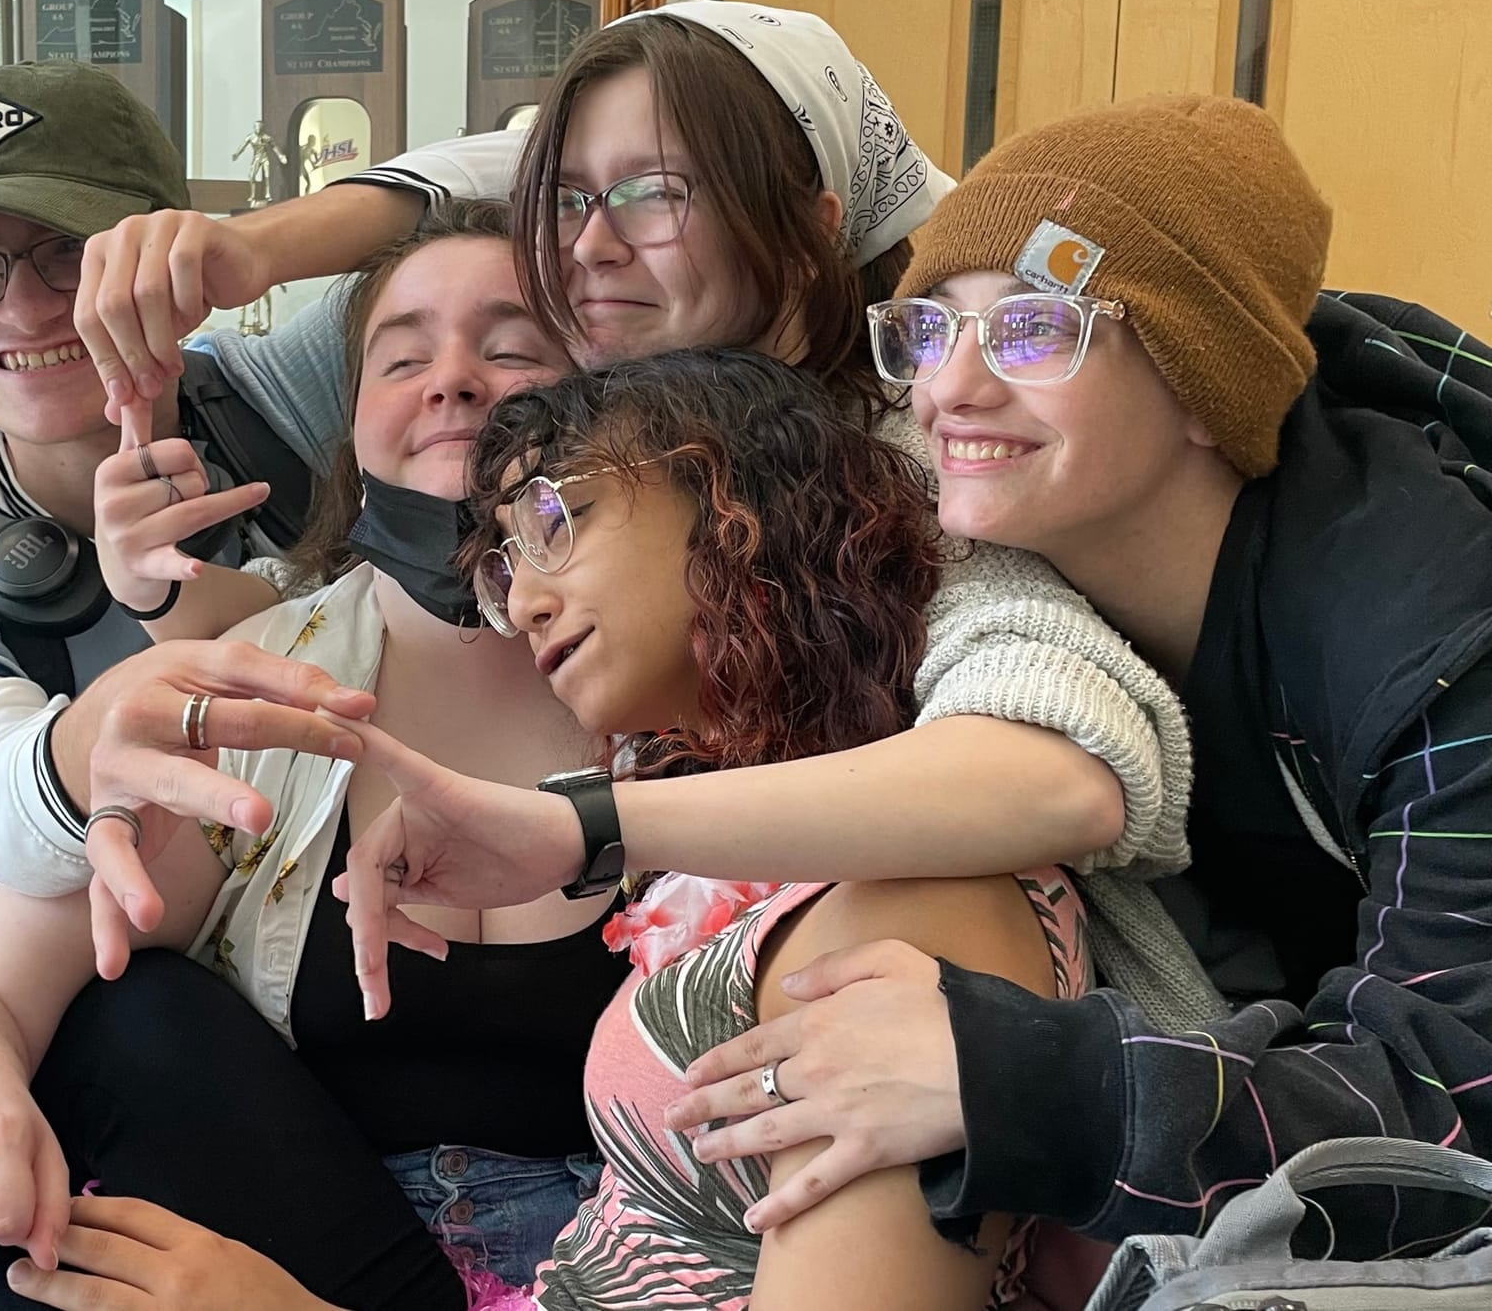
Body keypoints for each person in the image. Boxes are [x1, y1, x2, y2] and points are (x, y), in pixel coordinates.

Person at [79, 0, 1210, 1028]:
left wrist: (583, 828)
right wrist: (164, 604)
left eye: (656, 193)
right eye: (568, 201)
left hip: (958, 1050)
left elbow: (1062, 768)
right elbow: (352, 611)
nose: (589, 245)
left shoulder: (910, 473)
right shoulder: (585, 464)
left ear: (809, 229)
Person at [0, 201, 623, 1311]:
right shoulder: (251, 690)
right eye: (401, 359)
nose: (451, 380)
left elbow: (596, 151)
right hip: (285, 1243)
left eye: (512, 348)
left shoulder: (718, 701)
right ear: (350, 427)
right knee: (106, 1034)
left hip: (605, 1280)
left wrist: (256, 247)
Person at [583, 96, 1492, 1258]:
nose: (947, 391)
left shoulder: (1433, 641)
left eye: (1030, 331)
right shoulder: (1003, 567)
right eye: (928, 331)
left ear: (1202, 385)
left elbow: (1450, 1116)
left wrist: (1006, 1079)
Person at [9, 349, 1097, 1311]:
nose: (523, 601)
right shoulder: (738, 845)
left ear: (736, 499)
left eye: (553, 521)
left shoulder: (922, 899)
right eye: (503, 564)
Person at [0, 60, 318, 971]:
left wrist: (259, 247)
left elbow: (536, 196)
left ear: (176, 261)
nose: (22, 310)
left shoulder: (293, 397)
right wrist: (107, 739)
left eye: (75, 253)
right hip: (92, 988)